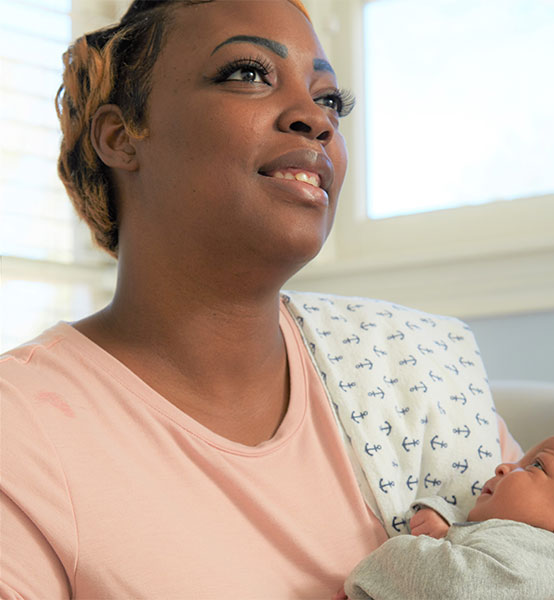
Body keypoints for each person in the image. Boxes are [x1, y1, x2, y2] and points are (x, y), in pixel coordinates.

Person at [0, 1, 520, 598]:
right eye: (248, 73)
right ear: (121, 137)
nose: (316, 120)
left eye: (330, 100)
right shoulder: (20, 431)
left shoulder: (419, 369)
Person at [341, 435, 554, 600]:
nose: (504, 466)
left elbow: (455, 586)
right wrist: (447, 528)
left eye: (536, 465)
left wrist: (381, 565)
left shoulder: (548, 568)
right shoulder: (525, 548)